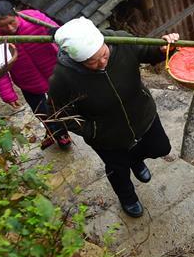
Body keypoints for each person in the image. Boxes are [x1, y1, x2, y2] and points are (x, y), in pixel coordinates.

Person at [48, 18, 179, 217]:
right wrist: (91, 130)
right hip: (106, 136)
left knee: (161, 147)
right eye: (92, 62)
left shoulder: (121, 41)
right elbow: (59, 113)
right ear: (78, 61)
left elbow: (147, 52)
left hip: (142, 114)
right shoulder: (62, 78)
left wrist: (162, 49)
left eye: (103, 54)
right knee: (118, 171)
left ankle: (136, 160)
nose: (102, 62)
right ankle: (128, 197)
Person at [0, 0, 71, 150]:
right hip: (27, 81)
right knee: (41, 111)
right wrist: (8, 94)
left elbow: (60, 36)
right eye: (4, 26)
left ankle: (62, 129)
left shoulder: (35, 18)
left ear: (16, 14)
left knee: (63, 105)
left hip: (54, 71)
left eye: (12, 22)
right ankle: (58, 133)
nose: (10, 28)